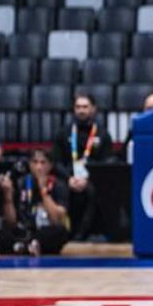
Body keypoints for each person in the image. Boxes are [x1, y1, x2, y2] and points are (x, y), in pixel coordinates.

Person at [50, 93, 114, 241]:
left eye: (85, 107)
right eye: (78, 107)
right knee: (60, 189)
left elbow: (107, 163)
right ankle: (63, 232)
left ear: (93, 109)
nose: (81, 110)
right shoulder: (63, 132)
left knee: (94, 191)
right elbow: (56, 161)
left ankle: (83, 233)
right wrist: (69, 178)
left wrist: (87, 179)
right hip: (68, 177)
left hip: (92, 179)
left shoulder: (103, 134)